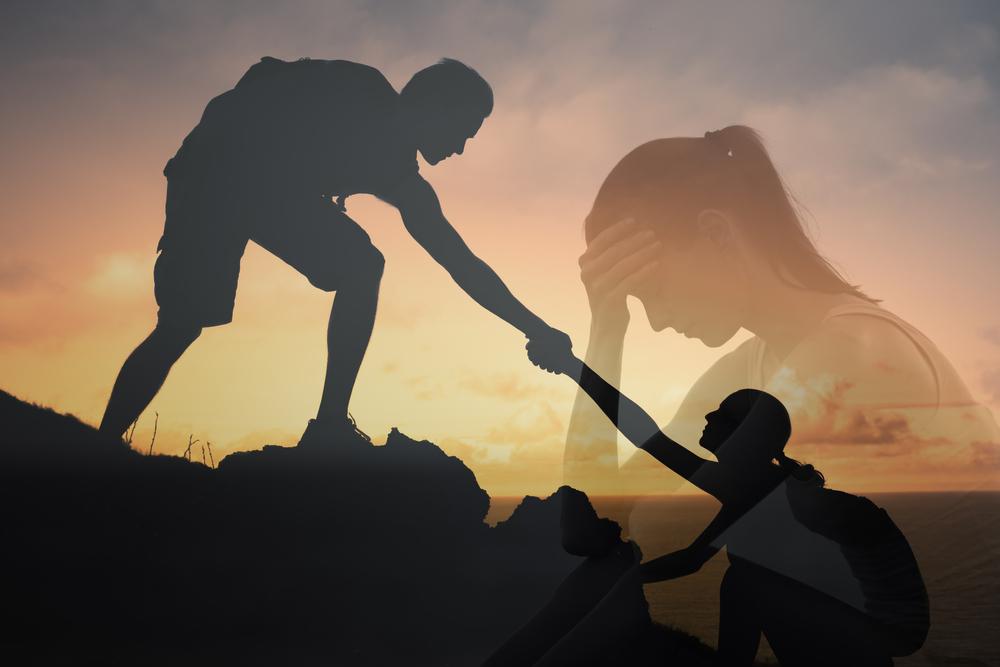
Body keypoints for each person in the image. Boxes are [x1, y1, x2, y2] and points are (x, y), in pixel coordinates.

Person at [99, 56, 570, 446]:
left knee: (363, 267)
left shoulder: (401, 179)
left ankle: (329, 425)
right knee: (182, 325)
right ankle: (100, 449)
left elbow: (458, 260)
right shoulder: (355, 88)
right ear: (435, 108)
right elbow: (254, 86)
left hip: (264, 192)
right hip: (213, 174)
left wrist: (536, 328)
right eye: (464, 131)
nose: (463, 149)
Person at [520, 346, 930, 665]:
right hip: (881, 626)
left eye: (723, 414)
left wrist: (618, 580)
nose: (709, 416)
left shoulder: (754, 485)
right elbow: (648, 437)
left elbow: (688, 559)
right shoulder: (765, 483)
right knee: (749, 578)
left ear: (745, 437)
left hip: (886, 628)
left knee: (743, 582)